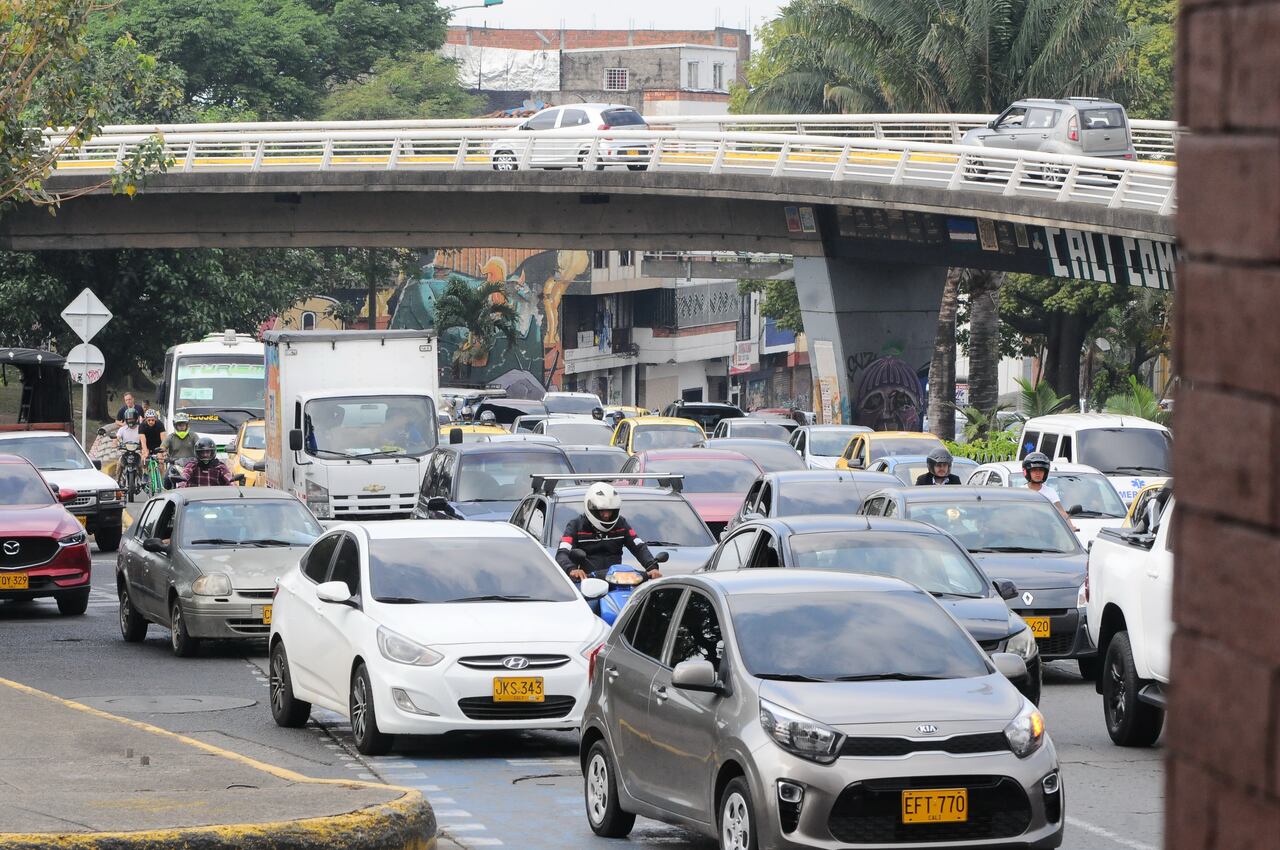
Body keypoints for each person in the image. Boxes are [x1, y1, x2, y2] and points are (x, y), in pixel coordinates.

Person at [555, 482, 663, 581]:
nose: (606, 515)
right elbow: (562, 553)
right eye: (602, 511)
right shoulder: (575, 526)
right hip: (586, 584)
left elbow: (638, 546)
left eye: (610, 511)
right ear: (591, 508)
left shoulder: (621, 524)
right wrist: (571, 569)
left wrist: (652, 567)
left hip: (617, 582)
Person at [1022, 451, 1078, 529]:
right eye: (1034, 470)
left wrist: (1070, 526)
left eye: (1041, 470)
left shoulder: (1050, 492)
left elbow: (1061, 512)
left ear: (1045, 472)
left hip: (1047, 530)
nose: (1038, 473)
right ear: (1027, 472)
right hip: (1024, 530)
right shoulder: (1020, 492)